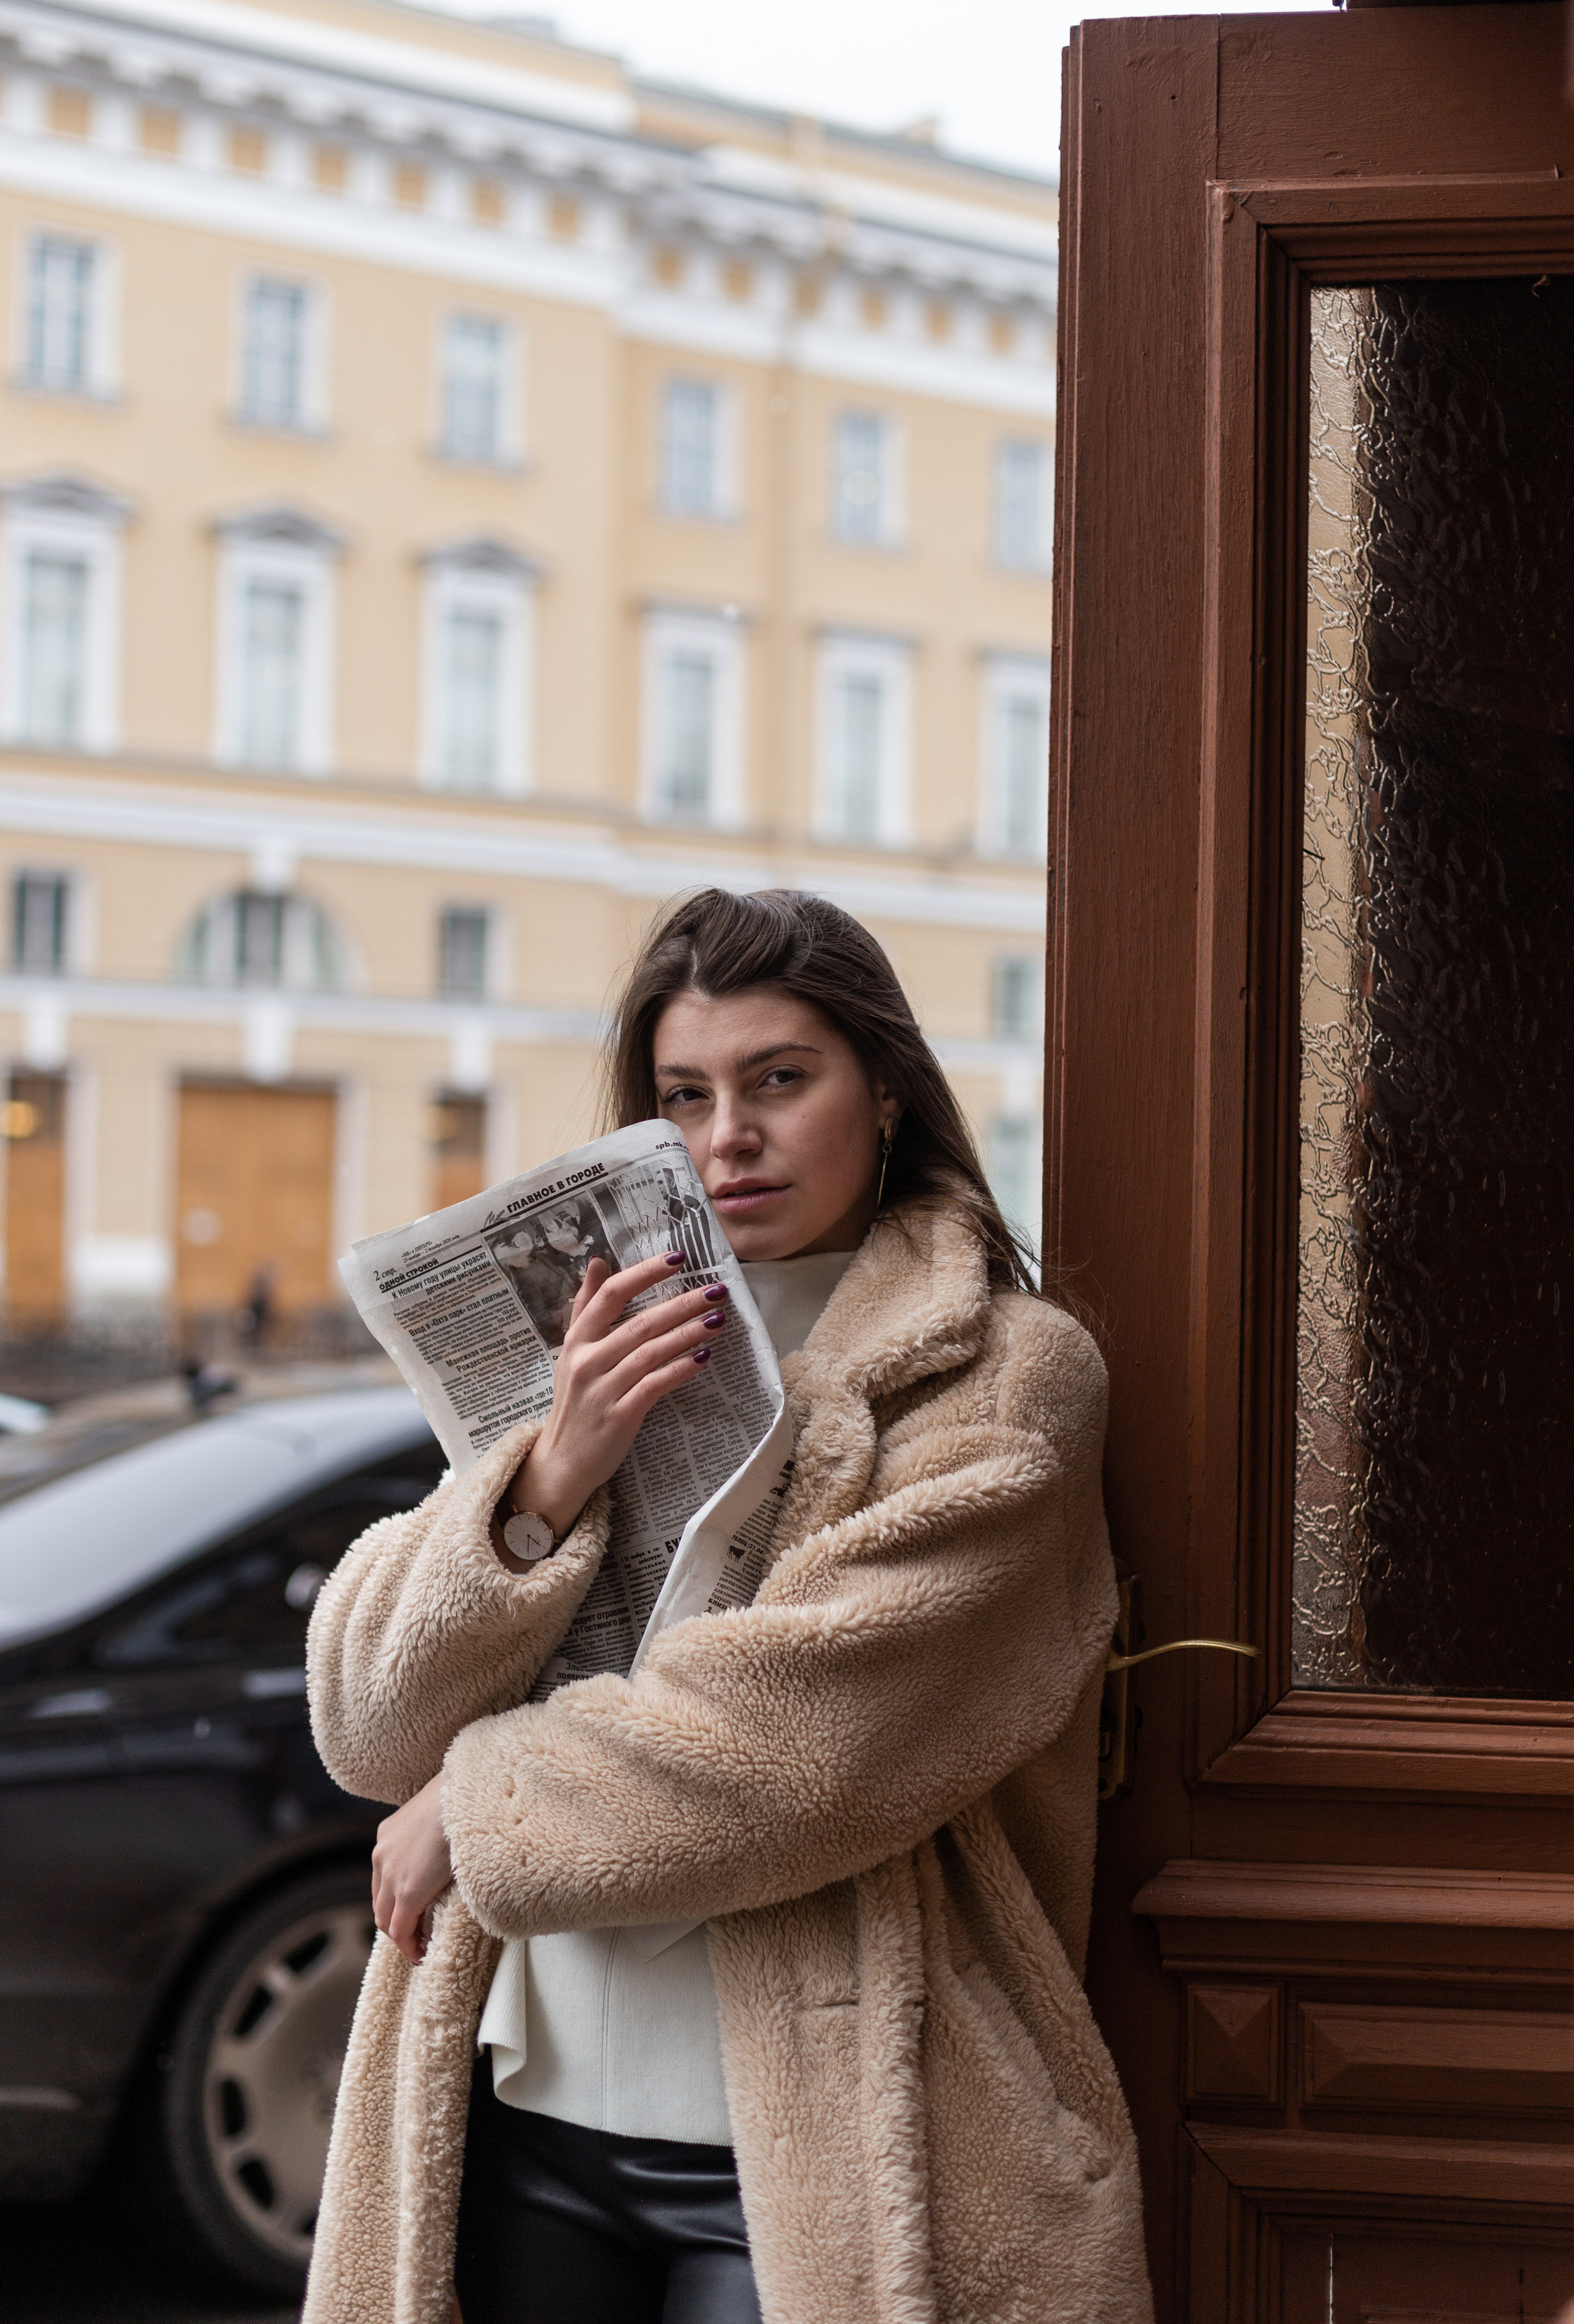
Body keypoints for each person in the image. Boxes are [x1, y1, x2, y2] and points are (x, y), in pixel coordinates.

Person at [304, 888, 1152, 2324]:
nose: (726, 1139)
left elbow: (810, 1741)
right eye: (683, 1095)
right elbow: (366, 1722)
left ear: (884, 1092)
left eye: (778, 1080)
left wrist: (477, 1802)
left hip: (815, 2144)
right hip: (514, 2102)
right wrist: (543, 1480)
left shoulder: (1007, 1375)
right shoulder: (597, 1347)